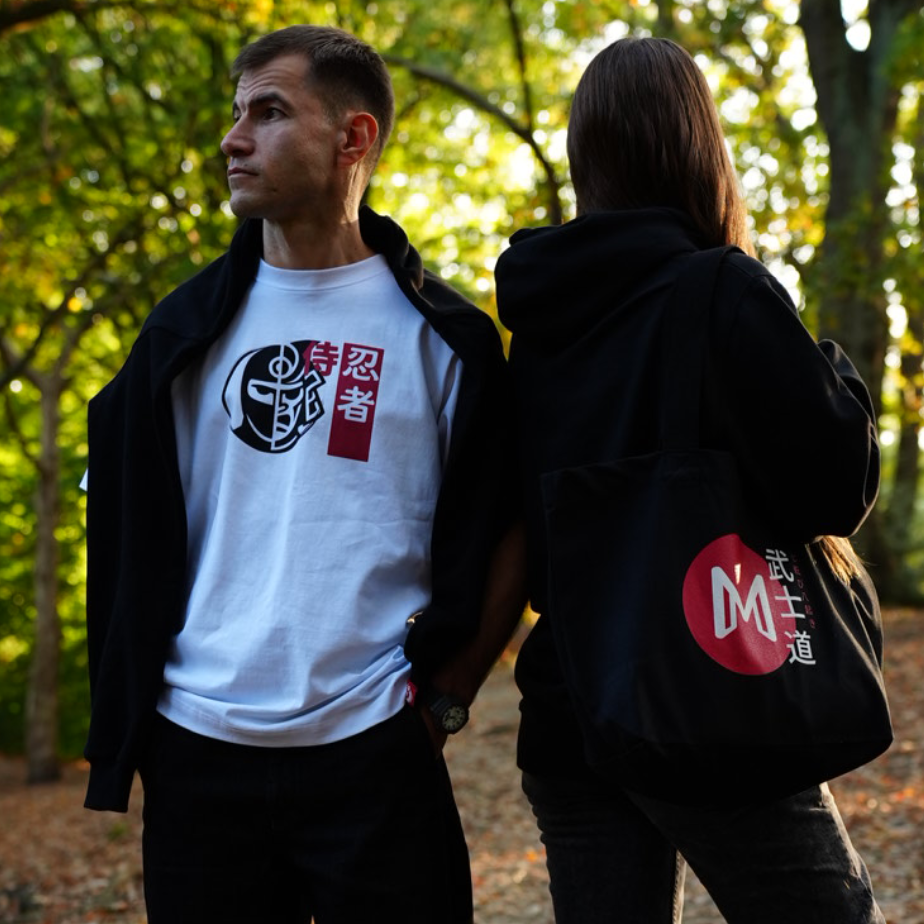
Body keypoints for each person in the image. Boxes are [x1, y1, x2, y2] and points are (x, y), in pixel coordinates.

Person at [83, 24, 523, 924]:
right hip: (197, 752)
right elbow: (125, 529)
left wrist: (443, 703)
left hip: (376, 752)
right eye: (236, 113)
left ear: (353, 139)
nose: (232, 139)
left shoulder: (445, 338)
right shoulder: (176, 337)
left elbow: (512, 529)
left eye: (269, 112)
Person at [495, 36, 885, 924]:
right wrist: (829, 366)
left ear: (585, 155)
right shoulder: (721, 290)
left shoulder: (537, 322)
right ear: (698, 147)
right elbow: (837, 486)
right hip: (707, 689)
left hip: (569, 707)